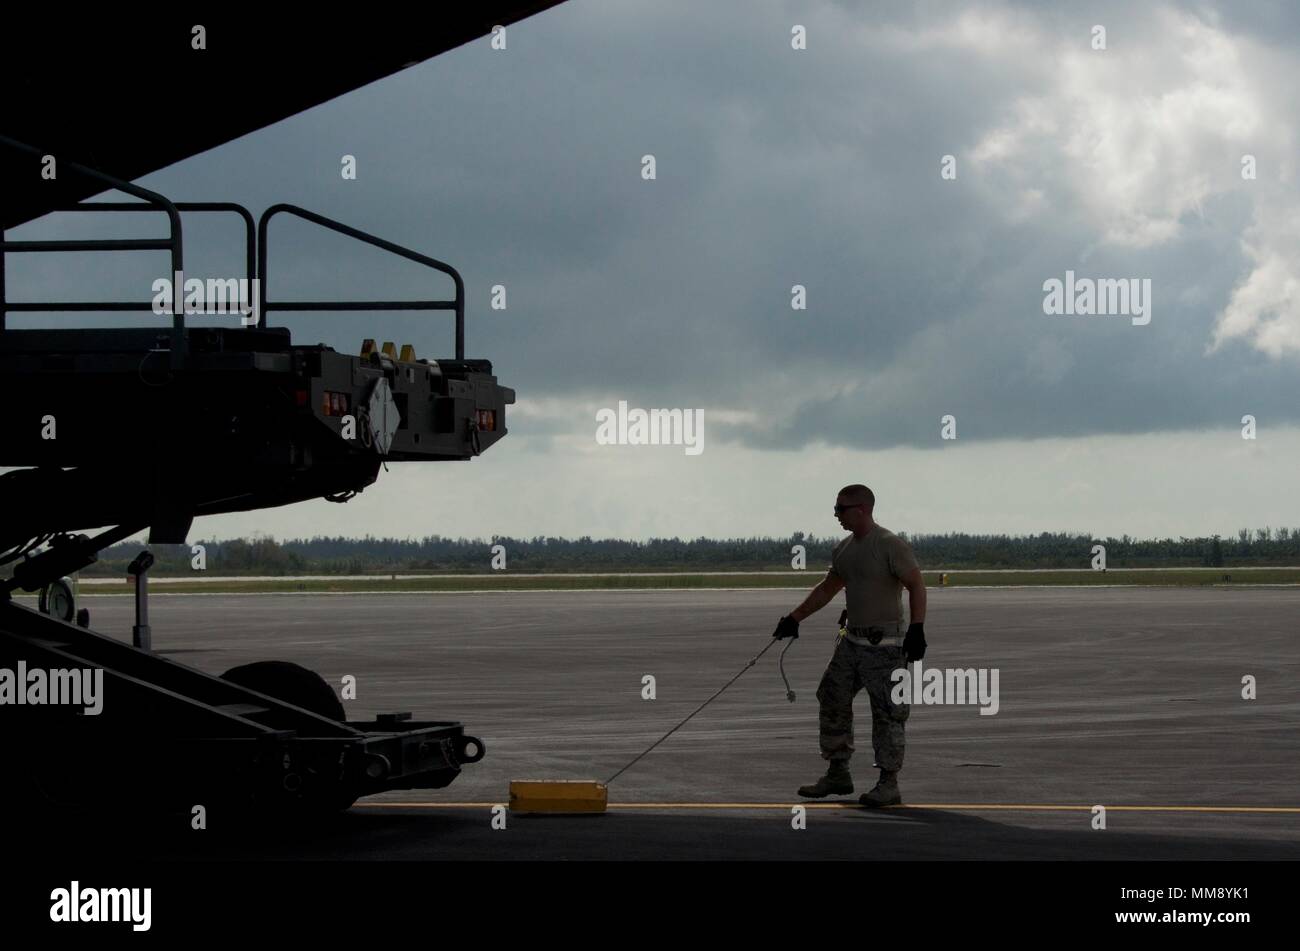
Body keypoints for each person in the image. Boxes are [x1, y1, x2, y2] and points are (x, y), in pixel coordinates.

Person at [773, 484, 927, 807]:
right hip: (852, 642)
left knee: (887, 712)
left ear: (862, 509)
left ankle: (888, 784)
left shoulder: (889, 545)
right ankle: (838, 772)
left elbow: (916, 584)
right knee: (831, 695)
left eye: (841, 508)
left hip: (885, 646)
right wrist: (794, 618)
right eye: (836, 508)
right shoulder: (843, 550)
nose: (836, 514)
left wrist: (917, 628)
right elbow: (828, 588)